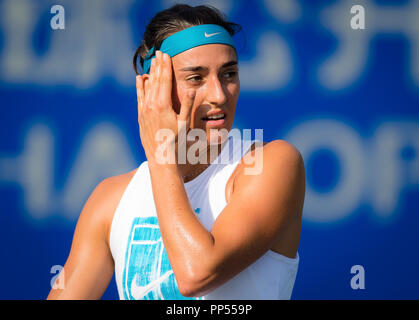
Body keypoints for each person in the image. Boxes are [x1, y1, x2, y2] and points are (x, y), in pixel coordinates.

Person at [47, 4, 305, 300]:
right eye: (196, 78)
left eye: (229, 73)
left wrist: (161, 156)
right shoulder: (110, 200)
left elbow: (196, 273)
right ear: (152, 88)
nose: (219, 95)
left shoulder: (272, 163)